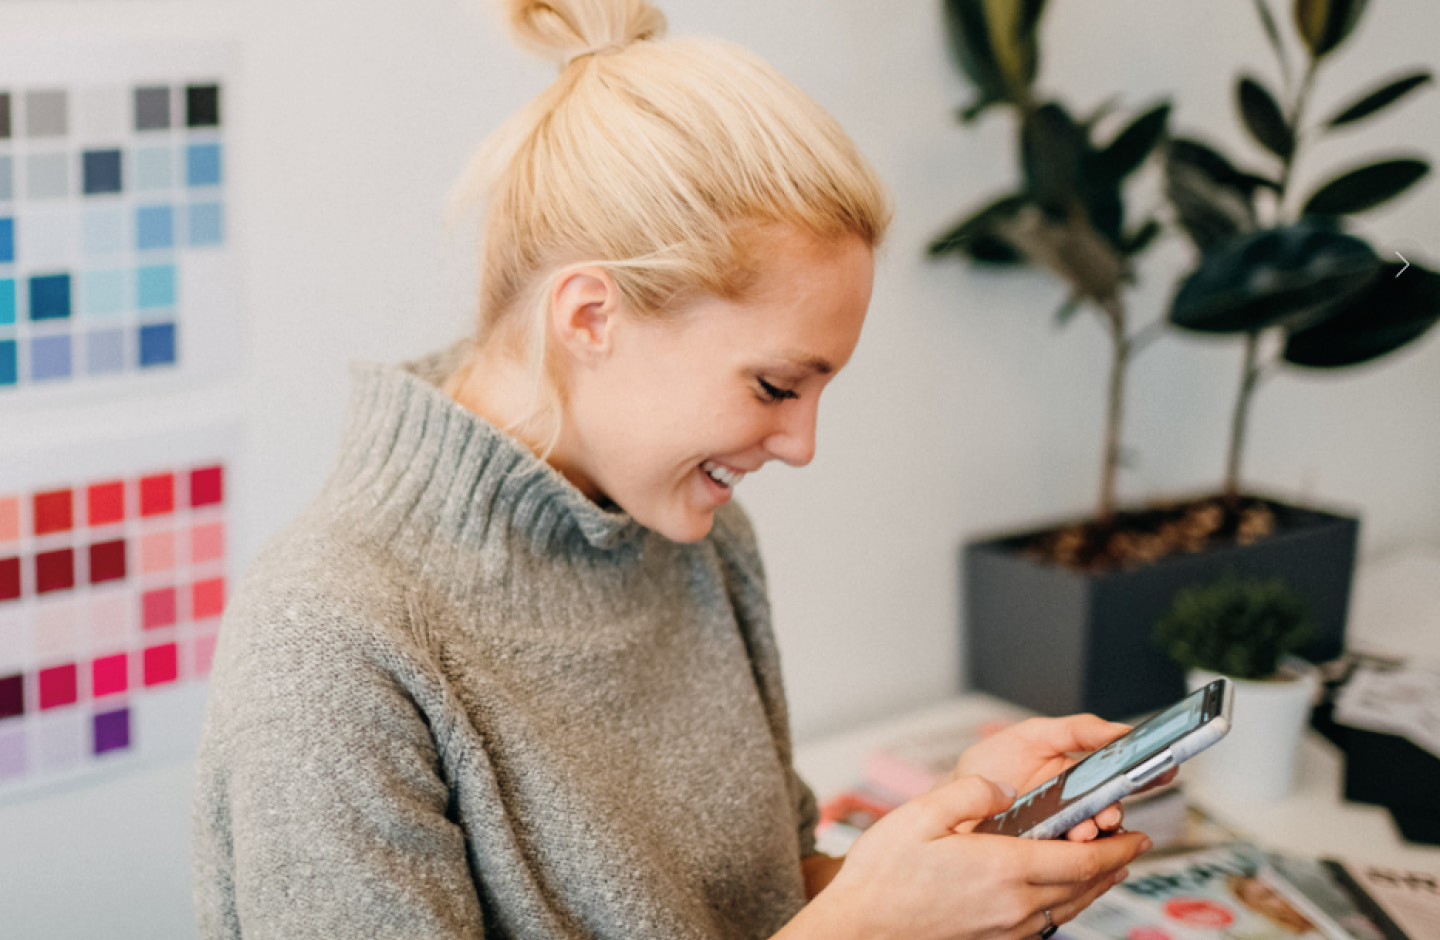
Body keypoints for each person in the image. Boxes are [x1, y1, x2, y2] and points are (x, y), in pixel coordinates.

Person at [191, 1, 1155, 937]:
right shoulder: (327, 645)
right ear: (591, 318)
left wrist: (957, 847)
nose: (802, 444)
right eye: (777, 385)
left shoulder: (697, 539)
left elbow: (762, 907)